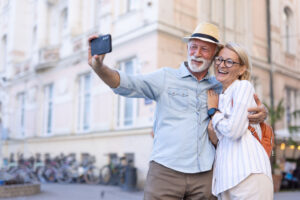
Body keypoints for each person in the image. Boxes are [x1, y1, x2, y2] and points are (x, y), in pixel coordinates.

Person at [88, 23, 267, 200]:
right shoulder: (165, 77)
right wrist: (99, 67)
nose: (197, 53)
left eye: (204, 49)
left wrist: (262, 112)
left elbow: (245, 103)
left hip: (205, 174)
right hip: (166, 172)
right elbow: (126, 83)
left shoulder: (220, 85)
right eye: (193, 47)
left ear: (214, 55)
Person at [207, 42, 273, 200]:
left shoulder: (243, 86)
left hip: (248, 174)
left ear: (242, 69)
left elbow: (234, 131)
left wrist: (213, 112)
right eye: (219, 59)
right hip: (227, 180)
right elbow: (219, 138)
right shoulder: (219, 96)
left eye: (229, 61)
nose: (222, 65)